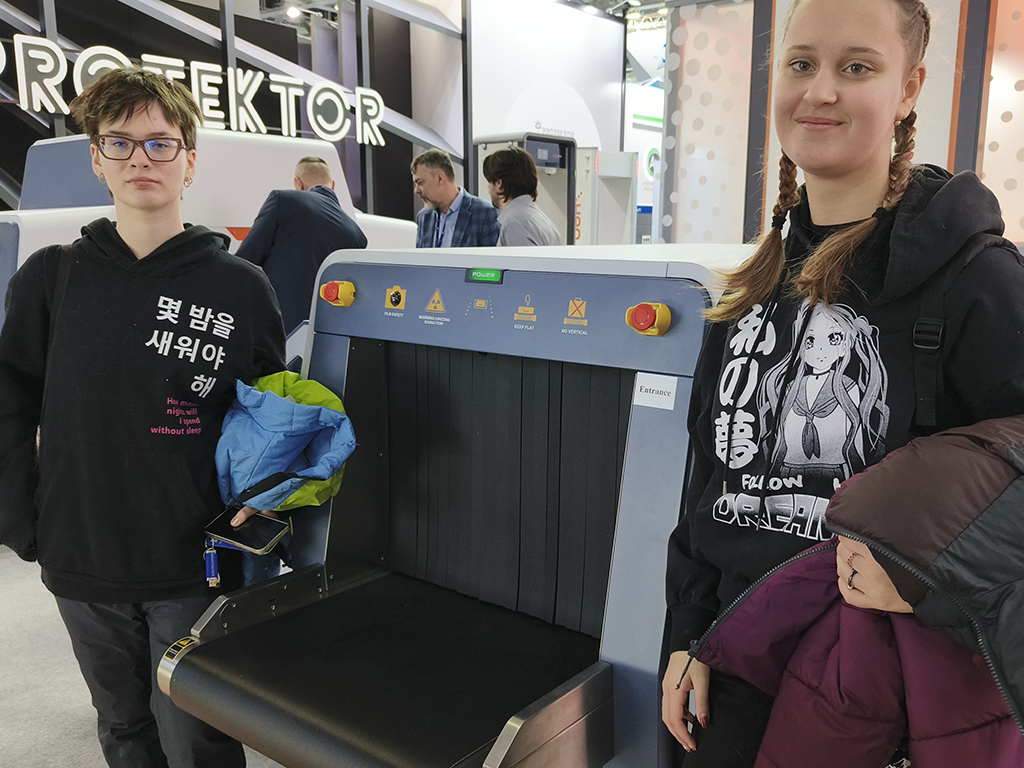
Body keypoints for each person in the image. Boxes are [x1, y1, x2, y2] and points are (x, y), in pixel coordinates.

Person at [661, 0, 1024, 765]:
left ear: (909, 88)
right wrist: (687, 634)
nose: (820, 90)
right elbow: (707, 481)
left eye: (857, 66)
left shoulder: (975, 282)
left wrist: (928, 581)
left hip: (876, 700)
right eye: (802, 63)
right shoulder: (752, 286)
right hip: (729, 672)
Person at [0, 67, 286, 768]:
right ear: (97, 160)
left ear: (189, 160)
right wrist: (23, 523)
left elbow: (269, 420)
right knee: (124, 727)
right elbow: (9, 404)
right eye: (119, 143)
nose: (140, 159)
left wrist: (261, 518)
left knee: (201, 734)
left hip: (196, 560)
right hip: (82, 556)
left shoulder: (240, 286)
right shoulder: (52, 277)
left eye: (160, 143)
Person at [236, 156, 367, 336]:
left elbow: (245, 261)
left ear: (298, 182)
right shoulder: (356, 234)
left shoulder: (283, 200)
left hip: (274, 330)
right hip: (325, 336)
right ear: (332, 185)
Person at [411, 148, 499, 248]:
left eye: (420, 183)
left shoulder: (485, 213)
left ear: (440, 178)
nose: (416, 190)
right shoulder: (423, 217)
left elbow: (491, 257)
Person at [482, 147, 561, 246]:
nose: (488, 188)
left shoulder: (514, 222)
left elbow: (522, 257)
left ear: (499, 184)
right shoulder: (540, 219)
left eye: (489, 182)